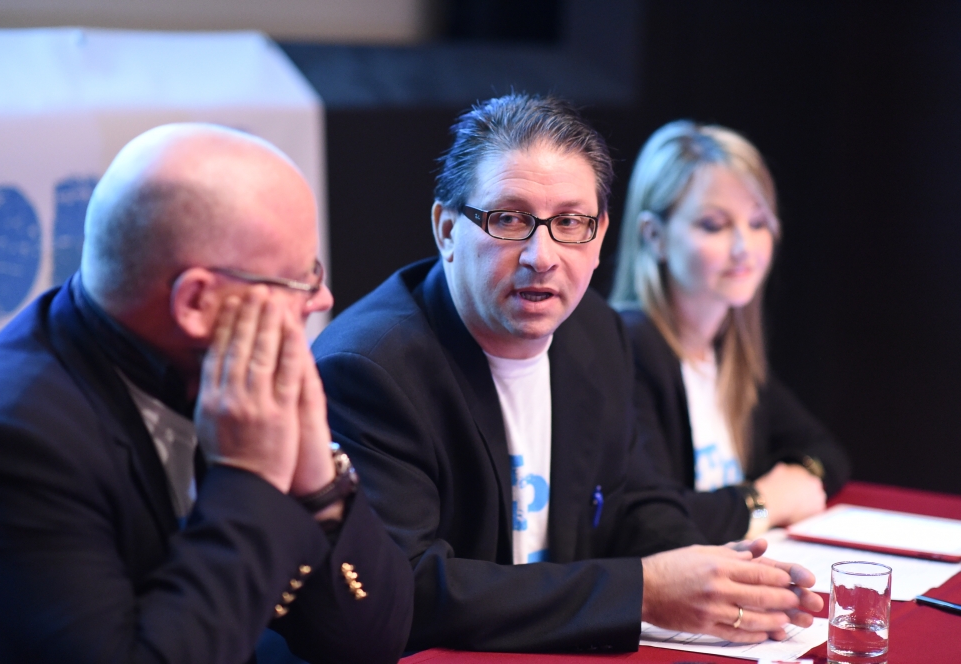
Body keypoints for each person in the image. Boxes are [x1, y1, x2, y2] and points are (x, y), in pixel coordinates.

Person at [312, 94, 822, 653]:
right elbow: (406, 589)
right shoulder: (370, 370)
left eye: (570, 223)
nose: (542, 255)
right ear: (447, 230)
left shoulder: (596, 332)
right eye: (509, 219)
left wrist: (719, 576)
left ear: (600, 236)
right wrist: (645, 591)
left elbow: (634, 500)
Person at [0, 124, 413, 664]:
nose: (323, 299)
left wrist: (320, 485)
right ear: (197, 303)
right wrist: (250, 478)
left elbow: (374, 641)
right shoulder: (11, 441)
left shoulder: (225, 374)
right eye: (301, 280)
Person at [608, 120, 851, 545]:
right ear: (655, 236)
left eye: (758, 223)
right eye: (714, 225)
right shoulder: (626, 348)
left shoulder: (728, 351)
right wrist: (765, 501)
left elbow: (826, 453)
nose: (744, 248)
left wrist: (796, 480)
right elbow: (654, 523)